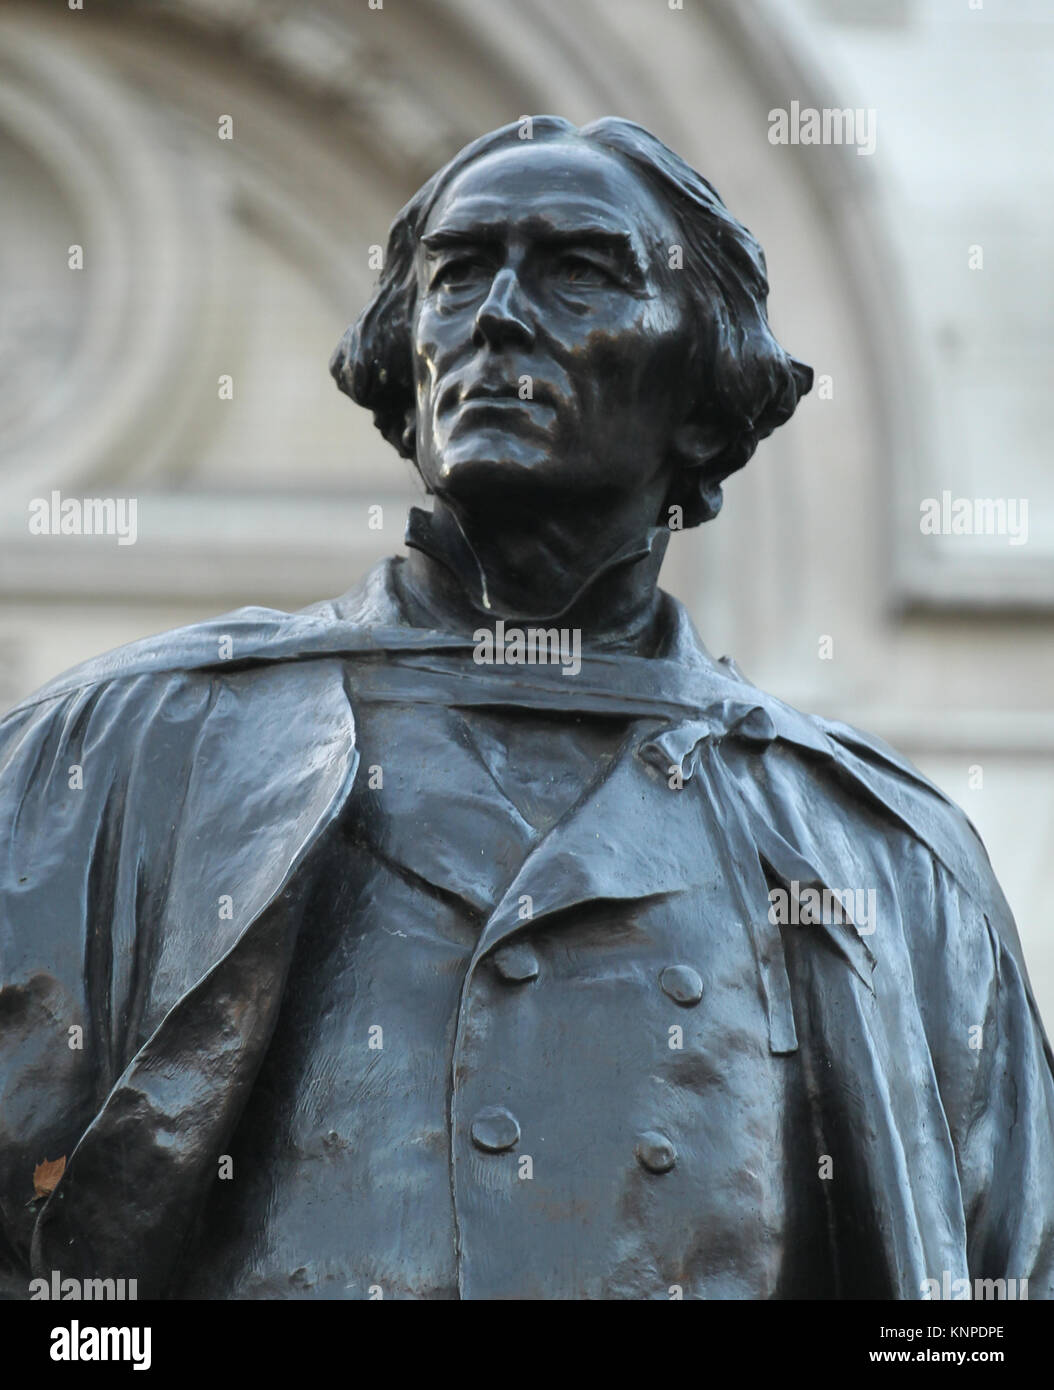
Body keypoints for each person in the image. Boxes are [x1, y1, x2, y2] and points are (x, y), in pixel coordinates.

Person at [2, 116, 1051, 1300]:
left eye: (579, 271)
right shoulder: (121, 757)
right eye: (458, 275)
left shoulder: (884, 854)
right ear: (405, 359)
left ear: (708, 394)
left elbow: (1002, 1275)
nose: (495, 314)